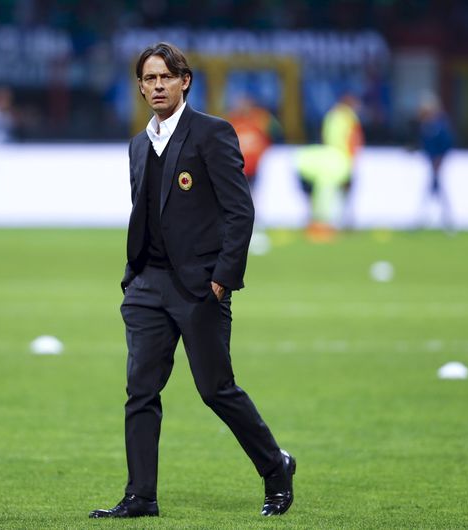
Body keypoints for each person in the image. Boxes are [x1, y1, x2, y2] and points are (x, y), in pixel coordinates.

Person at [89, 42, 295, 519]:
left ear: (185, 82)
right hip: (146, 287)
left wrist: (223, 280)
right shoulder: (138, 145)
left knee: (215, 389)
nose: (157, 85)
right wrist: (131, 278)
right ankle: (141, 496)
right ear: (140, 87)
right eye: (149, 79)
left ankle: (276, 467)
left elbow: (239, 210)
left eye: (166, 77)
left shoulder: (212, 133)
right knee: (140, 391)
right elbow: (144, 213)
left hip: (199, 287)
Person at [308, 92, 363, 239]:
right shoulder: (348, 117)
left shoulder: (332, 115)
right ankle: (339, 223)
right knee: (340, 193)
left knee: (327, 192)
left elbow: (326, 136)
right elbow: (353, 140)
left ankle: (326, 222)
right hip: (342, 159)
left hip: (332, 156)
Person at [415, 92, 454, 231]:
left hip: (437, 162)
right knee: (434, 190)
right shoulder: (425, 125)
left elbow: (446, 143)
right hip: (431, 162)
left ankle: (447, 222)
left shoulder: (439, 124)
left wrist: (439, 159)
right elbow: (425, 144)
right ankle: (441, 221)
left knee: (437, 190)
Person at [226, 94, 282, 191]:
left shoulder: (261, 118)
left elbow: (278, 135)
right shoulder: (231, 122)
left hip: (261, 171)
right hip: (239, 172)